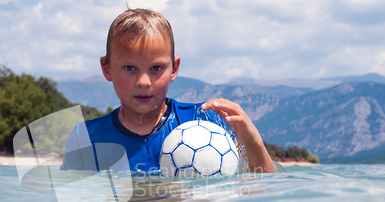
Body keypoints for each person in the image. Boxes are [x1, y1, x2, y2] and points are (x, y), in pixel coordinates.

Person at [61, 8, 275, 173]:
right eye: (129, 68)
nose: (144, 81)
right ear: (107, 69)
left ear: (174, 68)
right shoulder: (88, 139)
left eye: (156, 68)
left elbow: (260, 188)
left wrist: (252, 138)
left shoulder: (202, 123)